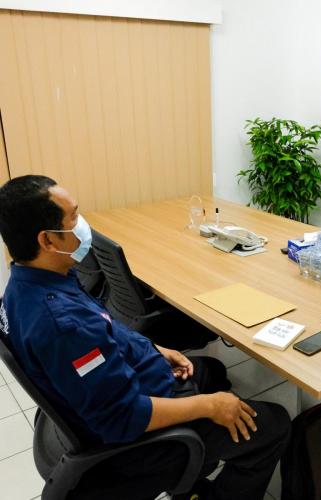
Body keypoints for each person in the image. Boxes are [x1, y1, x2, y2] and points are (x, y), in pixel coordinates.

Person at [0, 175, 291, 500]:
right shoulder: (63, 325)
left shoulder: (31, 284)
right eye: (73, 217)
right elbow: (121, 417)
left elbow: (103, 323)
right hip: (134, 444)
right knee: (275, 424)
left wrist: (153, 348)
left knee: (212, 371)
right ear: (48, 241)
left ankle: (193, 482)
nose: (82, 224)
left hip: (128, 384)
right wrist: (208, 405)